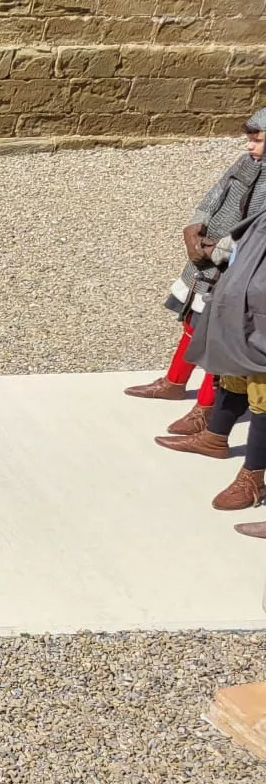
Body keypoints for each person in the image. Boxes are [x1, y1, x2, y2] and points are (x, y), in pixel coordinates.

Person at [127, 110, 266, 435]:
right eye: (249, 139)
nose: (248, 146)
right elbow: (214, 194)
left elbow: (256, 234)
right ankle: (174, 382)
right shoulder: (247, 164)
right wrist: (194, 227)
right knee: (193, 321)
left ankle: (205, 408)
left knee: (216, 336)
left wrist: (217, 251)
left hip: (235, 269)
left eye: (256, 140)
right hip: (204, 258)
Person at [169, 201, 266, 525]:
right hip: (243, 317)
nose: (252, 147)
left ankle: (252, 478)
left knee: (264, 401)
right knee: (234, 377)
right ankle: (214, 438)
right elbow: (241, 246)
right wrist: (213, 250)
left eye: (257, 143)